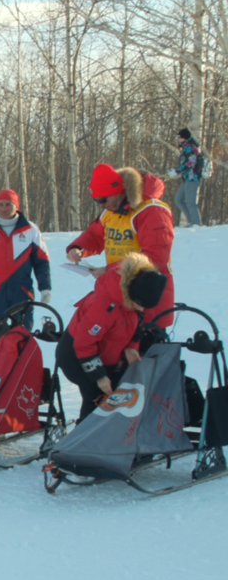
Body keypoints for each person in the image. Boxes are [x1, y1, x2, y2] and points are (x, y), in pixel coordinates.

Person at [56, 252, 167, 422]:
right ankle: (83, 440)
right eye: (140, 305)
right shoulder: (104, 306)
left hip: (106, 355)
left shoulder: (134, 297)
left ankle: (110, 435)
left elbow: (135, 323)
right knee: (96, 396)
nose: (142, 310)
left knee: (118, 393)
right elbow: (84, 343)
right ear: (132, 296)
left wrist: (132, 346)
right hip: (76, 356)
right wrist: (99, 376)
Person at [66, 164, 175, 329]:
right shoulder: (110, 211)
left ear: (119, 192)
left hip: (147, 297)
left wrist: (110, 269)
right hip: (118, 294)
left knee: (143, 351)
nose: (102, 205)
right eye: (97, 201)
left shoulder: (151, 211)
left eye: (104, 200)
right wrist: (78, 248)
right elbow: (95, 235)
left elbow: (154, 258)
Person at [0, 189, 52, 359]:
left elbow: (42, 261)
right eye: (1, 204)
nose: (4, 208)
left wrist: (45, 287)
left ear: (16, 207)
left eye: (8, 205)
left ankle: (21, 379)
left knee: (23, 337)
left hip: (22, 291)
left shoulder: (30, 230)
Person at [168, 128, 203, 227]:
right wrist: (176, 170)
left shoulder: (191, 148)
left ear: (184, 138)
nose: (178, 140)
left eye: (180, 137)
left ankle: (196, 224)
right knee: (178, 199)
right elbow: (186, 163)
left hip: (192, 178)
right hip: (187, 178)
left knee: (191, 202)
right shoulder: (186, 148)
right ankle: (191, 221)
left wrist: (177, 170)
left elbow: (191, 162)